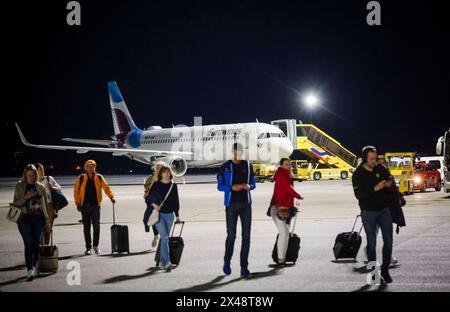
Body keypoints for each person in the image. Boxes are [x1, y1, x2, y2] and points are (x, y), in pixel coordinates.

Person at [352, 146, 394, 283]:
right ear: (364, 158)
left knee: (388, 240)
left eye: (375, 158)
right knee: (371, 244)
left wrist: (388, 183)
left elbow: (390, 178)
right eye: (371, 159)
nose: (374, 161)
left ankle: (386, 270)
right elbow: (359, 195)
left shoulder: (379, 168)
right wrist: (374, 188)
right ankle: (374, 274)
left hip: (384, 211)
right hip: (368, 213)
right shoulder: (358, 174)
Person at [217, 143, 256, 278]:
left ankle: (244, 267)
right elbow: (220, 187)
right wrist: (231, 187)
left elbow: (254, 184)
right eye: (234, 152)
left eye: (239, 152)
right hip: (231, 205)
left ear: (242, 152)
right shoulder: (225, 167)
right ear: (231, 152)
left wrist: (248, 186)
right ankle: (227, 261)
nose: (236, 155)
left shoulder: (248, 166)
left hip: (246, 205)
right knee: (232, 236)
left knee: (247, 237)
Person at [13, 164, 51, 281]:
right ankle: (29, 269)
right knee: (28, 243)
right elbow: (16, 203)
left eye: (33, 175)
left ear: (36, 175)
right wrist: (26, 197)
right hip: (25, 219)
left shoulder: (40, 187)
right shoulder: (20, 186)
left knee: (35, 244)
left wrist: (47, 220)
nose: (31, 177)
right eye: (28, 175)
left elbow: (44, 205)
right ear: (25, 175)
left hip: (38, 219)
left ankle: (34, 267)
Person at [74, 160, 115, 255]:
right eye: (89, 166)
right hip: (84, 207)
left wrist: (111, 197)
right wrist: (78, 204)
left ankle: (96, 246)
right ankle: (88, 247)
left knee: (96, 227)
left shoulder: (99, 177)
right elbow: (76, 192)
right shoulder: (81, 178)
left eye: (93, 166)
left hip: (96, 206)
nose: (91, 168)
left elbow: (106, 188)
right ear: (86, 168)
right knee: (86, 228)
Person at [270, 158, 303, 267]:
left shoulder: (288, 176)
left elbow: (288, 192)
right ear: (281, 166)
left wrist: (293, 206)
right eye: (285, 164)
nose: (288, 166)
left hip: (287, 209)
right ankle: (280, 259)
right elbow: (287, 188)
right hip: (277, 208)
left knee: (286, 235)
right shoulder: (280, 174)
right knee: (283, 233)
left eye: (289, 164)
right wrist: (298, 196)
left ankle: (282, 259)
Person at [149, 165, 181, 272]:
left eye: (168, 172)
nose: (167, 174)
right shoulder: (157, 185)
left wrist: (177, 216)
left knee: (164, 239)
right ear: (161, 174)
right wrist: (154, 205)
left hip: (170, 216)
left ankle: (162, 263)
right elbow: (149, 197)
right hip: (159, 215)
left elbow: (176, 201)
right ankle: (167, 262)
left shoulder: (173, 186)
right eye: (165, 172)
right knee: (165, 238)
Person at [35, 163, 62, 245]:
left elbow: (59, 188)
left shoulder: (49, 178)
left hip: (49, 205)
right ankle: (39, 247)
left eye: (43, 169)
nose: (42, 171)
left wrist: (52, 187)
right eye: (40, 169)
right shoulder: (34, 181)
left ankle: (46, 246)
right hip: (37, 206)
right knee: (39, 229)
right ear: (36, 171)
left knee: (48, 228)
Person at [143, 161, 166, 248]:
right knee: (146, 219)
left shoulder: (164, 178)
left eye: (159, 167)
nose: (157, 168)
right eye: (156, 167)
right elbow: (146, 186)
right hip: (150, 201)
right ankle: (155, 234)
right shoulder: (151, 176)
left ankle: (158, 237)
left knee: (156, 220)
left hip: (159, 203)